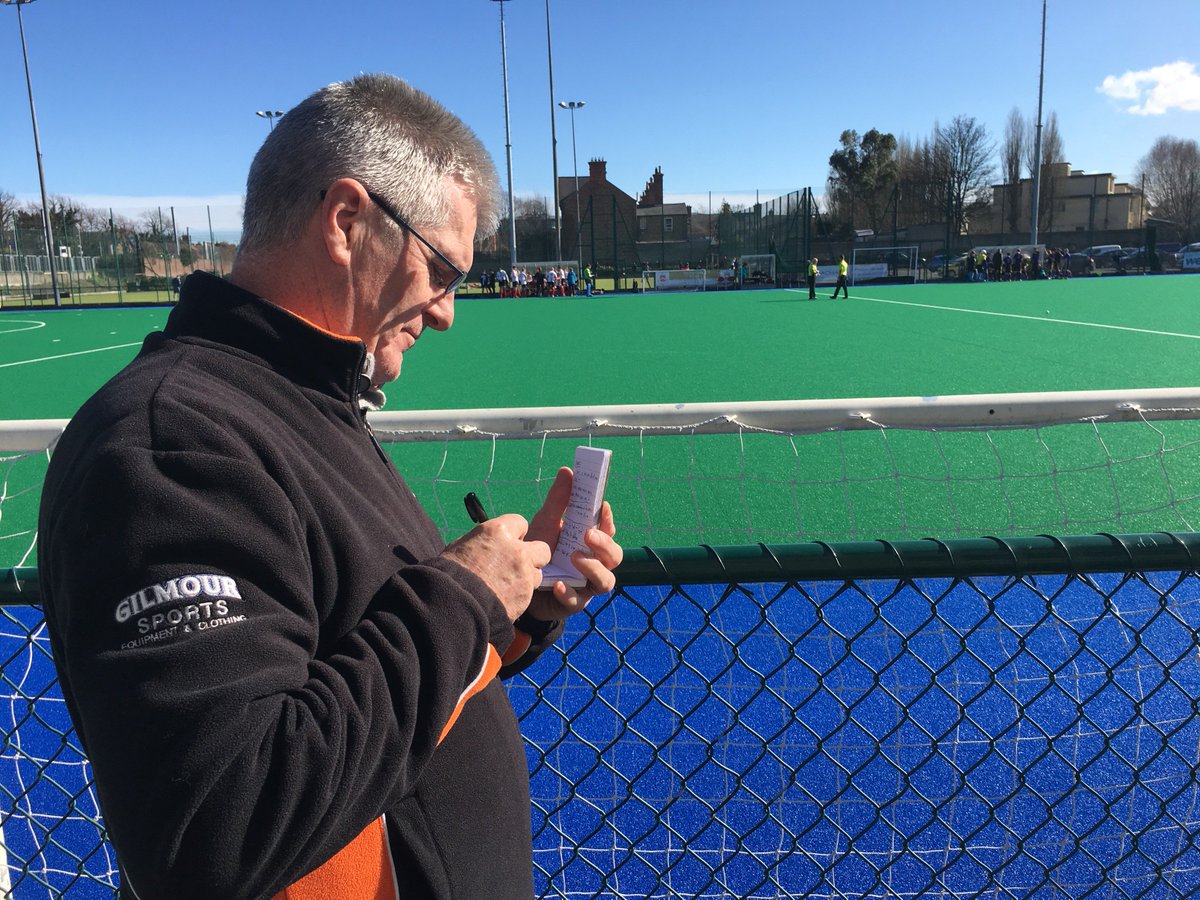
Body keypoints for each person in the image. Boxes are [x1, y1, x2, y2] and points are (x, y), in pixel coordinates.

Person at [37, 73, 622, 900]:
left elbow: (356, 653)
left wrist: (515, 607)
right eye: (442, 269)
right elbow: (218, 825)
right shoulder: (171, 444)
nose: (447, 311)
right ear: (347, 221)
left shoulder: (300, 401)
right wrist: (462, 599)